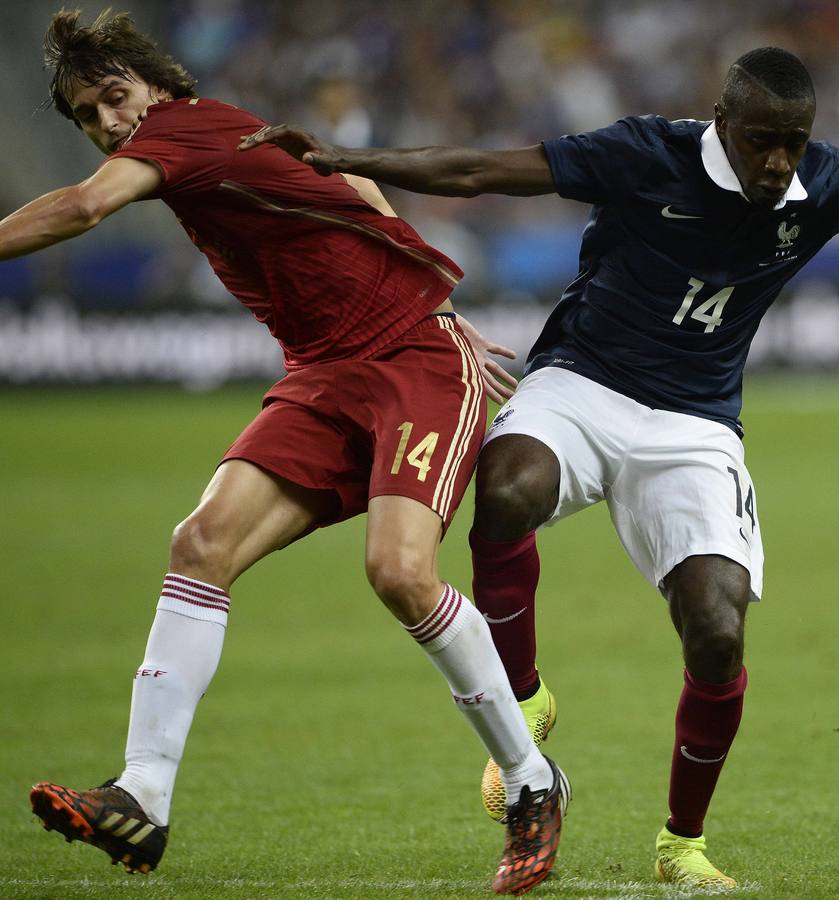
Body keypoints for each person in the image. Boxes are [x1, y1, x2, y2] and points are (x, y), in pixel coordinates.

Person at [243, 46, 839, 890]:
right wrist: (348, 159)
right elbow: (489, 170)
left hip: (696, 426)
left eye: (793, 140)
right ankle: (525, 693)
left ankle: (681, 847)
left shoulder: (822, 183)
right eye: (761, 141)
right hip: (581, 380)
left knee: (714, 629)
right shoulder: (643, 153)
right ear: (723, 121)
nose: (777, 160)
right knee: (506, 485)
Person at [5, 11, 568, 895]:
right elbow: (354, 190)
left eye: (115, 98)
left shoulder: (181, 129)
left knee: (399, 573)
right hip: (324, 373)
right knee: (200, 545)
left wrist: (438, 315)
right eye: (87, 114)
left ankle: (532, 779)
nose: (109, 124)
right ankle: (142, 797)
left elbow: (80, 207)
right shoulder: (206, 139)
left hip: (412, 359)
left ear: (160, 89)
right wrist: (426, 278)